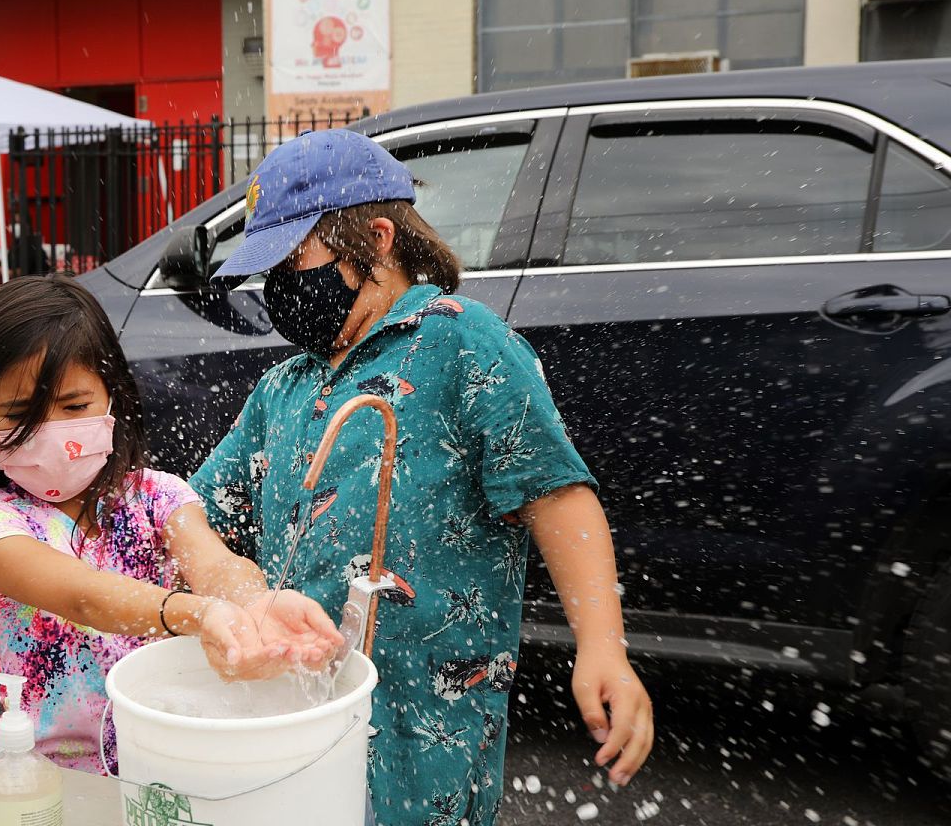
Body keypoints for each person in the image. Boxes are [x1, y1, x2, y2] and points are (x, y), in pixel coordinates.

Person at [192, 129, 654, 825]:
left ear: (376, 238)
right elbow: (193, 515)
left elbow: (555, 493)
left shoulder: (460, 342)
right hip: (299, 717)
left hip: (428, 722)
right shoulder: (283, 388)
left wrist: (602, 647)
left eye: (295, 261)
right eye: (271, 270)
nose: (280, 288)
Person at [0, 274, 341, 773]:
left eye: (75, 406)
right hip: (50, 779)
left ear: (113, 396)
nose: (54, 431)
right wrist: (200, 615)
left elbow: (214, 563)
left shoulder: (154, 495)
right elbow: (85, 596)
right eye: (22, 414)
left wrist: (254, 605)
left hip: (159, 764)